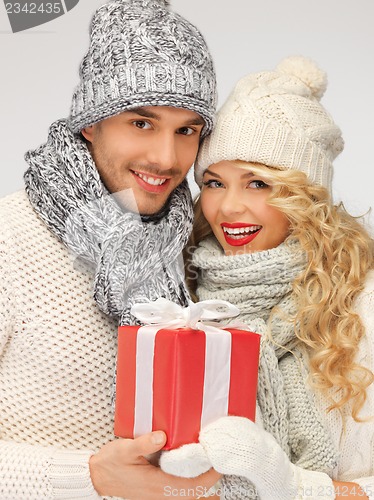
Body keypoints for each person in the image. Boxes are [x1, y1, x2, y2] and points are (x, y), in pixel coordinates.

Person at [0, 0, 220, 497]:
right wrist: (91, 478)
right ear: (90, 123)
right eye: (141, 123)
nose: (166, 158)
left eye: (187, 130)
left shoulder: (196, 247)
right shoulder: (10, 238)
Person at [161, 56, 374, 499]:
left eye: (257, 183)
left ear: (305, 193)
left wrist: (295, 488)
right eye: (215, 183)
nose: (228, 207)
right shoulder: (183, 297)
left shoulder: (362, 304)